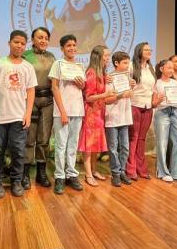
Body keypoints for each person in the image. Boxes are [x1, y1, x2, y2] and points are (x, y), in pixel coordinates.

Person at [0, 30, 37, 198]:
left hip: (18, 116)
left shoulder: (27, 67)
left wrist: (28, 114)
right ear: (9, 43)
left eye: (22, 43)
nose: (19, 45)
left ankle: (16, 180)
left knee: (18, 151)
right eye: (16, 42)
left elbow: (31, 91)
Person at [49, 34, 85, 194]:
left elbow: (82, 88)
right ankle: (59, 176)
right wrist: (63, 112)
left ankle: (71, 174)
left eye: (74, 45)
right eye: (68, 45)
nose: (72, 48)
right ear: (62, 48)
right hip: (62, 111)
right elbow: (54, 88)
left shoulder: (79, 66)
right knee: (61, 145)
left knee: (73, 145)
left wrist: (82, 85)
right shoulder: (58, 64)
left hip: (78, 110)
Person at [22, 27, 56, 189]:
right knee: (29, 138)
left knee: (44, 139)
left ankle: (41, 172)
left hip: (48, 100)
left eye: (46, 38)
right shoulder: (25, 56)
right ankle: (25, 173)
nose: (43, 41)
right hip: (30, 100)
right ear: (33, 39)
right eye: (40, 37)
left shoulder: (52, 57)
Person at [79, 45, 116, 186]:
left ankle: (94, 171)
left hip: (99, 112)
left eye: (108, 56)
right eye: (106, 56)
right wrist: (105, 94)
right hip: (90, 113)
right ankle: (88, 174)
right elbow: (88, 97)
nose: (108, 59)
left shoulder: (102, 74)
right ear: (98, 56)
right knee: (88, 146)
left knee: (95, 144)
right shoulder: (91, 73)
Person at [152, 60, 177, 182]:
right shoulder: (157, 83)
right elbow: (153, 104)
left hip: (175, 112)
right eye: (168, 68)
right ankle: (163, 172)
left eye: (172, 68)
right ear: (161, 69)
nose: (171, 70)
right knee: (162, 143)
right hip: (162, 113)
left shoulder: (176, 83)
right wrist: (159, 100)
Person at [105, 51, 135, 187]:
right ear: (116, 63)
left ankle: (122, 171)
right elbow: (106, 99)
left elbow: (130, 95)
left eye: (128, 63)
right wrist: (122, 95)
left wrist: (131, 88)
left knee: (125, 147)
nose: (127, 65)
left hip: (125, 116)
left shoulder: (128, 78)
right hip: (112, 117)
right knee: (113, 147)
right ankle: (115, 174)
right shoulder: (110, 78)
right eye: (125, 63)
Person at [127, 42, 156, 180]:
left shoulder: (152, 68)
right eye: (146, 49)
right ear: (139, 51)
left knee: (142, 139)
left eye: (150, 49)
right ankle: (130, 168)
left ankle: (141, 168)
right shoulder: (131, 66)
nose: (149, 51)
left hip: (148, 106)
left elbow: (152, 88)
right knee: (133, 138)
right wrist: (129, 83)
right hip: (134, 104)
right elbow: (123, 83)